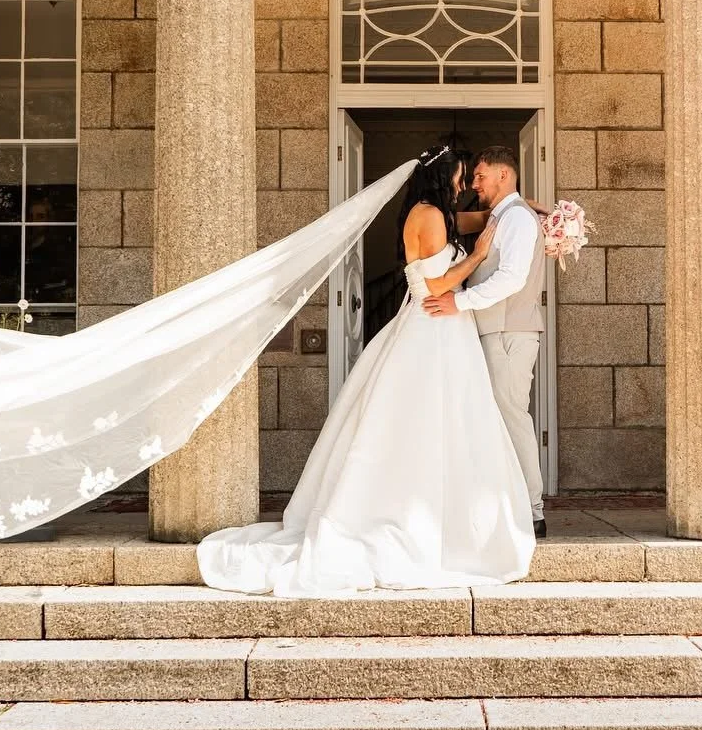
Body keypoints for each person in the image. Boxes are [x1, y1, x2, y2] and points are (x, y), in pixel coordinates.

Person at [195, 146, 536, 596]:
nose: (463, 188)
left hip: (445, 331)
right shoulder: (429, 217)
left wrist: (528, 211)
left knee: (449, 421)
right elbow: (434, 285)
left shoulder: (437, 214)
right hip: (434, 323)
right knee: (425, 421)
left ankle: (450, 515)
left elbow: (486, 220)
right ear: (440, 181)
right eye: (458, 179)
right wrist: (475, 259)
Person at [422, 146, 547, 537]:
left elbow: (511, 278)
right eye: (472, 177)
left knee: (512, 417)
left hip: (509, 331)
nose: (474, 184)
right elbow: (452, 223)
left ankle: (532, 511)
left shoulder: (519, 221)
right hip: (492, 330)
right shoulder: (504, 215)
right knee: (495, 419)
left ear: (503, 176)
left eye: (480, 176)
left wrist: (458, 301)